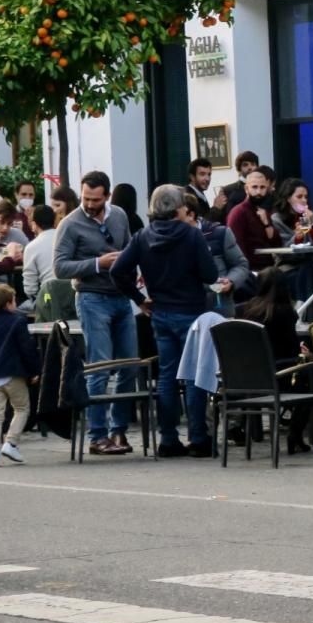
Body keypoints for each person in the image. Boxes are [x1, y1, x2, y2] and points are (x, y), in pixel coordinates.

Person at [111, 185, 218, 458]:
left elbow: (117, 270)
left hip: (160, 312)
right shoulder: (192, 235)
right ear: (178, 208)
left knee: (167, 377)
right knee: (193, 376)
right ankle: (198, 437)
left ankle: (168, 438)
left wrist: (138, 298)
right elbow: (209, 274)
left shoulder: (142, 236)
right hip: (191, 312)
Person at [53, 170, 136, 456]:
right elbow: (60, 267)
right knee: (100, 366)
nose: (89, 204)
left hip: (121, 297)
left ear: (107, 196)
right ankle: (97, 434)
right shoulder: (70, 224)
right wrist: (98, 263)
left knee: (130, 365)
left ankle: (119, 430)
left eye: (96, 200)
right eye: (86, 198)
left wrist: (132, 269)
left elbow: (128, 248)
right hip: (91, 297)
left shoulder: (120, 216)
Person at [239, 268, 311, 455]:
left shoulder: (246, 310)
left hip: (247, 378)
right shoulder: (285, 312)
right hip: (278, 376)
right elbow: (290, 349)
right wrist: (302, 352)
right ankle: (296, 433)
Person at [0, 284, 41, 467]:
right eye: (14, 300)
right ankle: (10, 443)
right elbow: (26, 349)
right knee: (21, 408)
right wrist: (34, 371)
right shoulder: (17, 321)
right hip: (13, 374)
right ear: (8, 303)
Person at [183, 193, 249, 318]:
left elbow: (241, 265)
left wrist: (231, 281)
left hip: (219, 310)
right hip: (186, 313)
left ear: (191, 215)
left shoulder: (219, 233)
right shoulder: (173, 238)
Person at [225, 168, 278, 271]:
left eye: (262, 187)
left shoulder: (264, 213)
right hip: (250, 271)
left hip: (269, 267)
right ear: (246, 189)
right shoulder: (238, 213)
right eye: (254, 187)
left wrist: (267, 224)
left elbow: (277, 244)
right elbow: (236, 249)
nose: (258, 191)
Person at [21, 204, 58, 311]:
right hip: (72, 296)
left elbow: (30, 288)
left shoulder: (31, 247)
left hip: (48, 298)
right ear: (54, 221)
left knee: (16, 310)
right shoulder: (66, 238)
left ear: (34, 224)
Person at [270, 178, 313, 245]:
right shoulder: (277, 219)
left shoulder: (311, 216)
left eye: (306, 197)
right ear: (288, 198)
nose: (304, 200)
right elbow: (282, 250)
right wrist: (297, 239)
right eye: (299, 197)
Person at [219, 150, 259, 221]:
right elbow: (223, 216)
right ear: (239, 168)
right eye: (245, 165)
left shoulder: (262, 188)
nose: (250, 167)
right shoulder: (227, 190)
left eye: (253, 164)